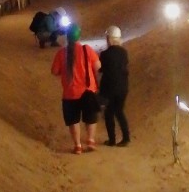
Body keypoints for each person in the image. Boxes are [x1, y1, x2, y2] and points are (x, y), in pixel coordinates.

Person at [51, 23, 101, 154]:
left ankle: (78, 145)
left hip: (70, 93)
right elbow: (98, 66)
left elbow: (55, 71)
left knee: (73, 120)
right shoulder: (87, 50)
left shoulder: (62, 53)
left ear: (67, 37)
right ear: (79, 36)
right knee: (90, 117)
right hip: (88, 91)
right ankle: (90, 140)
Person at [99, 25, 130, 147]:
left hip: (110, 87)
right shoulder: (124, 52)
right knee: (119, 111)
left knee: (109, 113)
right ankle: (126, 137)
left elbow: (102, 69)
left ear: (109, 38)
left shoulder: (105, 54)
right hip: (123, 87)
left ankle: (112, 140)